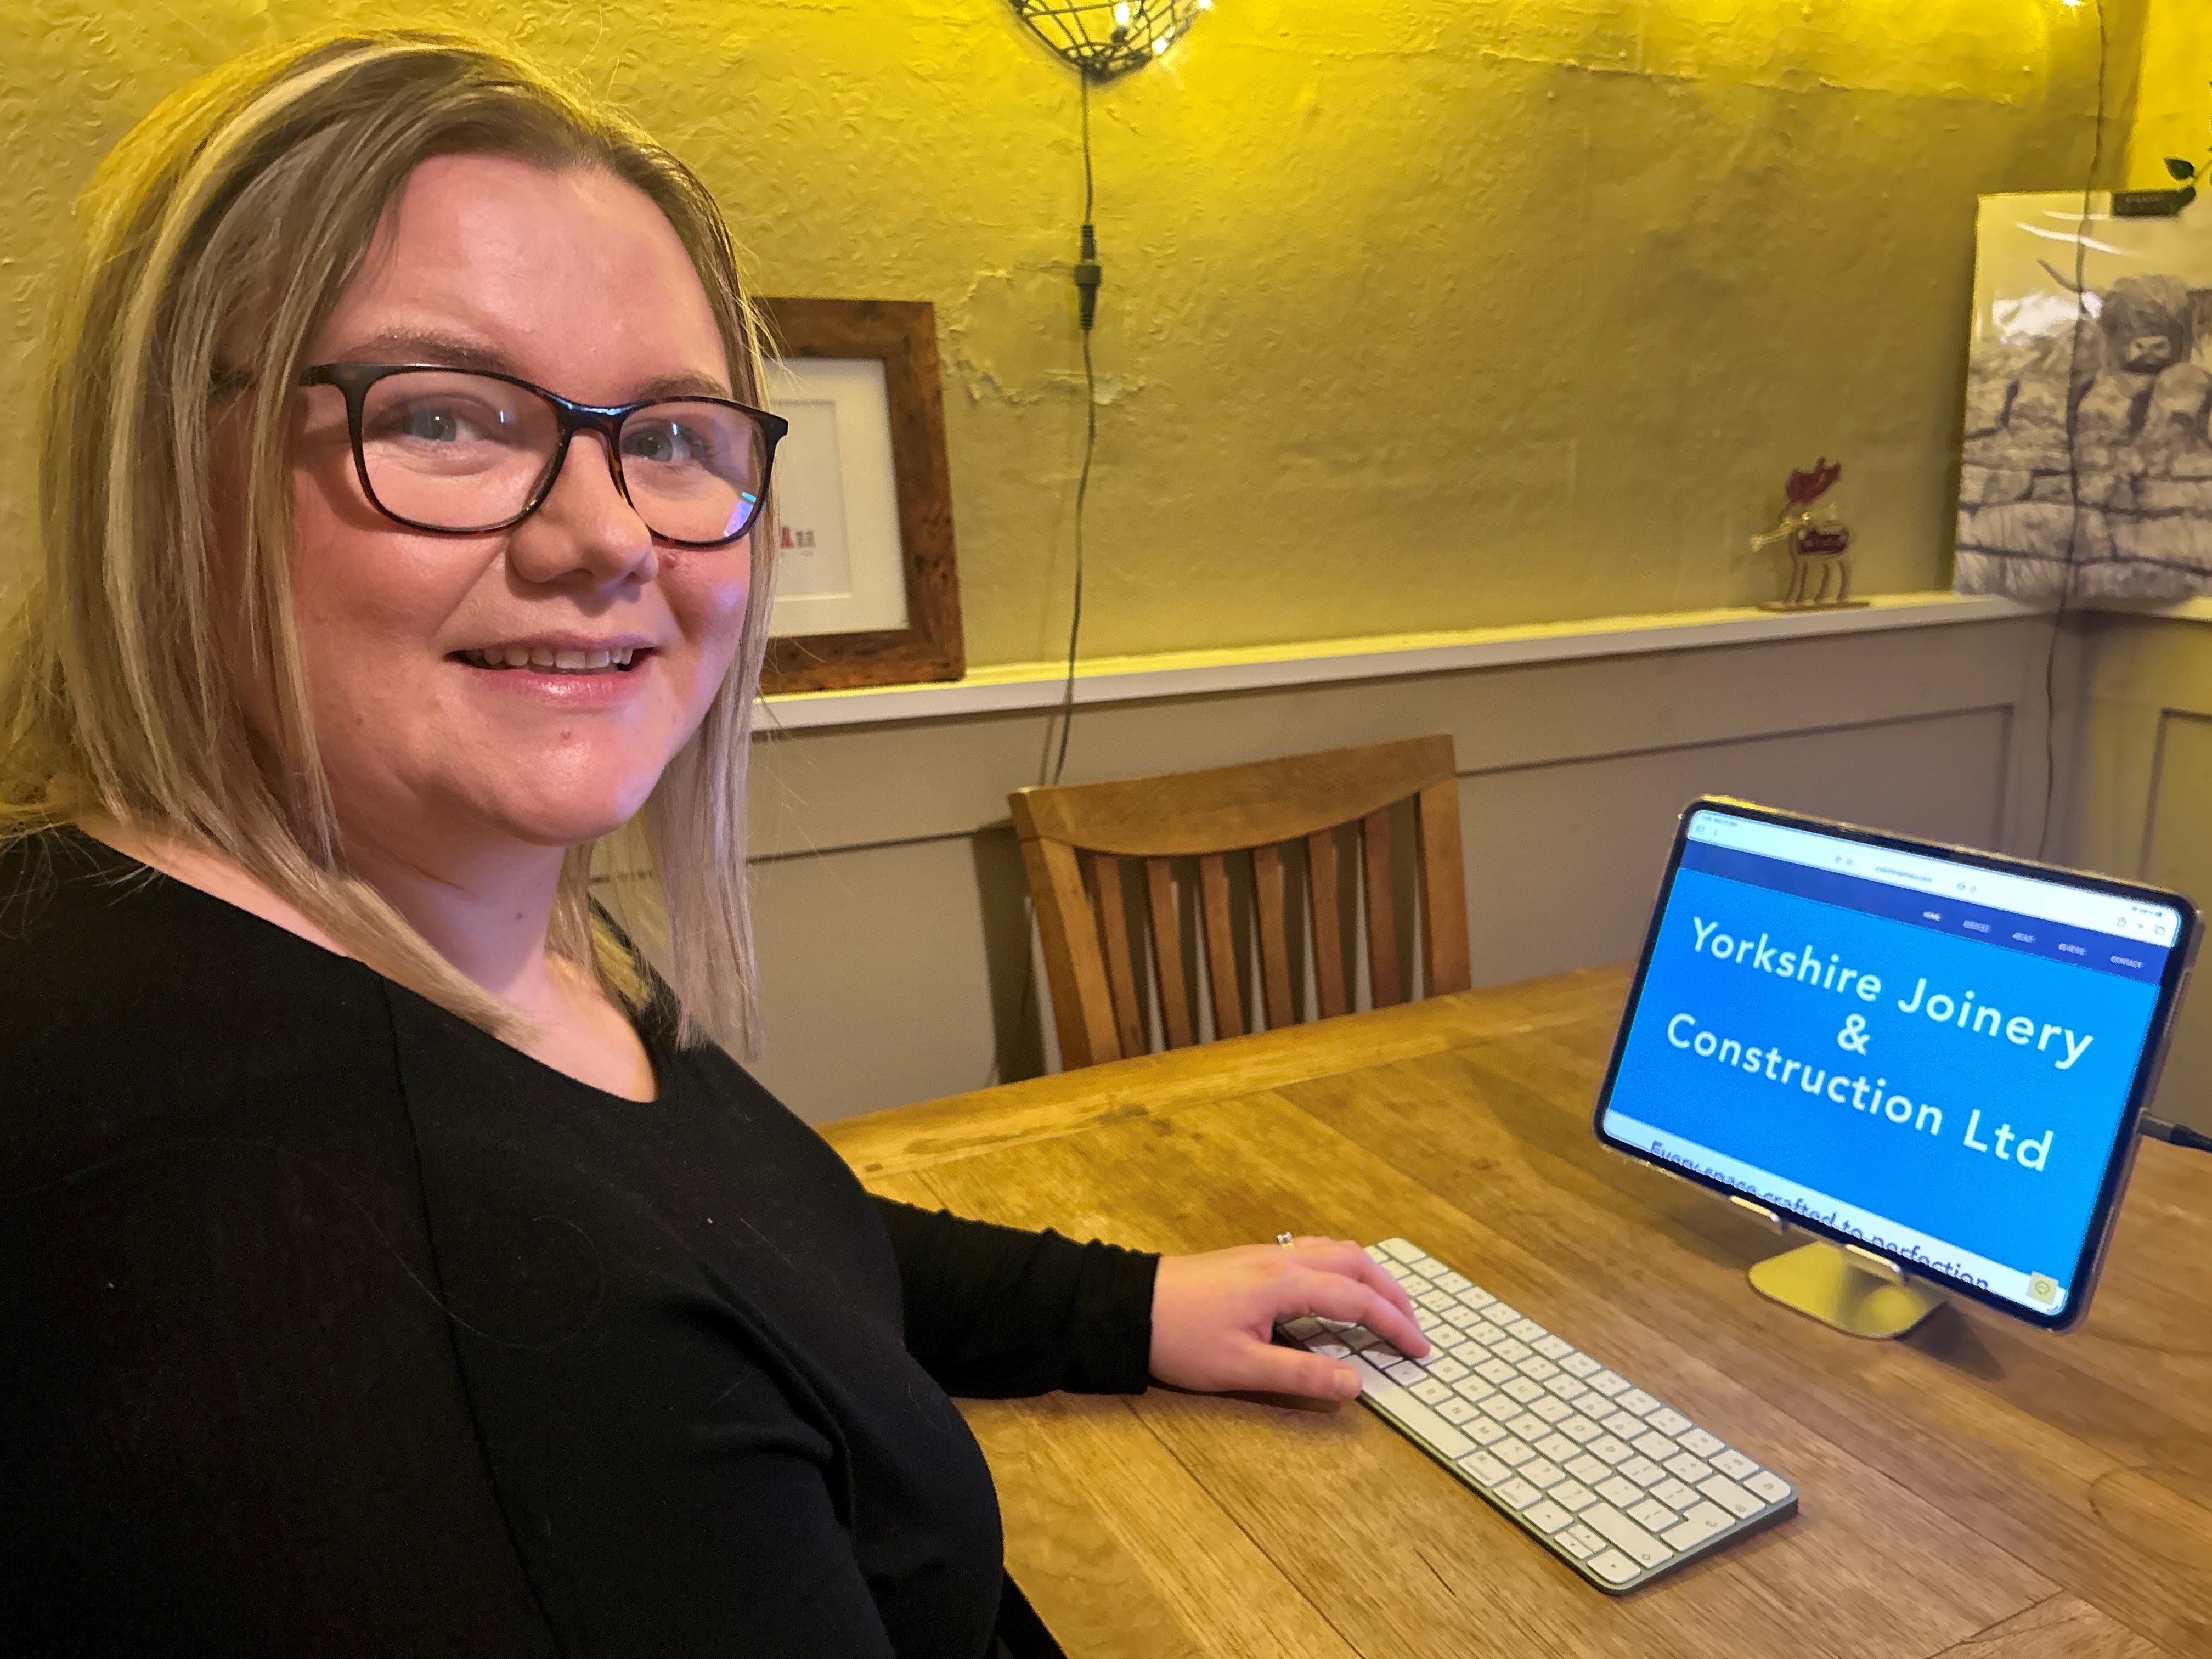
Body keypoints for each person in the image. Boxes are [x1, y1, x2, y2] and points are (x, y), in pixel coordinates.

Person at [0, 31, 1425, 1657]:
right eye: (449, 414)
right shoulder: (377, 1286)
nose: (606, 536)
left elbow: (732, 1231)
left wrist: (1126, 1307)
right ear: (162, 471)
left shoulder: (413, 918)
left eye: (673, 437)